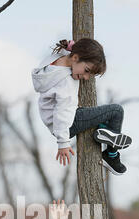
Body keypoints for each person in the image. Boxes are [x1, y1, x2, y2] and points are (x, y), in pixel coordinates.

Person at [31, 37, 132, 176]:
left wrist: (71, 47)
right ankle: (111, 155)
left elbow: (69, 53)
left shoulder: (54, 62)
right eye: (86, 70)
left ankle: (103, 129)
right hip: (68, 123)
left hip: (62, 120)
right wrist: (63, 143)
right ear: (75, 57)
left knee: (101, 115)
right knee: (116, 111)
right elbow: (62, 112)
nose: (85, 77)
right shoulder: (66, 82)